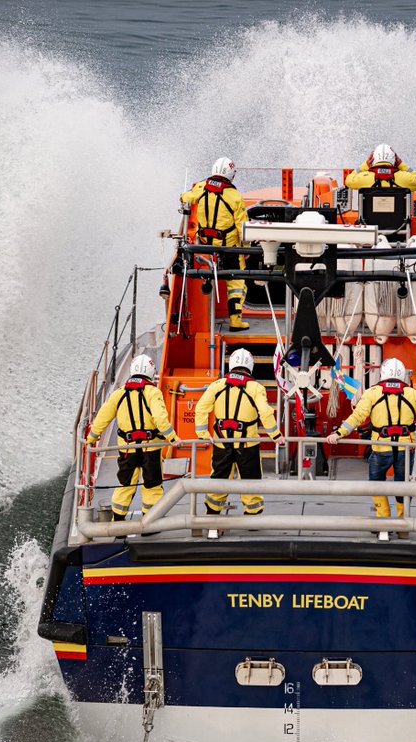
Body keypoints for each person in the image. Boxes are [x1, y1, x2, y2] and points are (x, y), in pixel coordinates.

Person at [327, 358, 416, 519]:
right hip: (405, 450)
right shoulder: (413, 394)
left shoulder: (372, 393)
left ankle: (383, 518)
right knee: (404, 487)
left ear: (383, 373)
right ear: (402, 375)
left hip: (380, 448)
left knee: (376, 483)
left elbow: (357, 416)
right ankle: (402, 521)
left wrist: (338, 433)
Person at [85, 354, 179, 520]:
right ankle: (150, 521)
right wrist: (173, 439)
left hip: (127, 449)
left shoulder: (119, 393)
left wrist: (90, 440)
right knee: (152, 485)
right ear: (151, 372)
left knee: (125, 484)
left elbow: (102, 418)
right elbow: (160, 419)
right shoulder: (153, 393)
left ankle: (118, 521)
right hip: (151, 449)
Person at [195, 348, 284, 519]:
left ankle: (212, 513)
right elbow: (265, 413)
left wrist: (203, 434)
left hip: (222, 444)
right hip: (248, 445)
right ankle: (252, 515)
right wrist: (276, 436)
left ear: (231, 365)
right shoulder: (256, 388)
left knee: (219, 479)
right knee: (250, 481)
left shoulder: (217, 385)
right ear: (250, 366)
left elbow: (201, 409)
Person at [180, 157, 251, 331]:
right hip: (229, 248)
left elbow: (184, 198)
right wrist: (247, 248)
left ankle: (202, 319)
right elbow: (243, 227)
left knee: (204, 274)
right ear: (231, 175)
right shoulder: (235, 196)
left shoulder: (200, 188)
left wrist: (186, 196)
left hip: (204, 245)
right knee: (236, 282)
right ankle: (235, 321)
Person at [343, 144, 416, 192]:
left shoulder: (364, 178)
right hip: (398, 217)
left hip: (370, 217)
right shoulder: (404, 178)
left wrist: (365, 165)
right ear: (394, 159)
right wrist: (401, 164)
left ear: (374, 159)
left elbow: (348, 181)